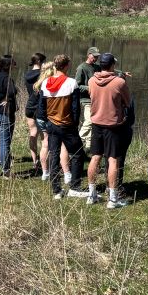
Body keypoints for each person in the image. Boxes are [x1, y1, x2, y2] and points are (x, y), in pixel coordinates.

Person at [87, 53, 133, 208]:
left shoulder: (91, 80)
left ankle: (91, 194)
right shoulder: (119, 82)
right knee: (113, 159)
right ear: (112, 65)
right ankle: (113, 199)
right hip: (113, 126)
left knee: (95, 157)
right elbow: (128, 102)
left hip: (96, 124)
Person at [40, 54, 86, 200]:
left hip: (51, 125)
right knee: (78, 154)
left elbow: (41, 109)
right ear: (66, 66)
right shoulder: (72, 83)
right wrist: (75, 123)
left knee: (54, 155)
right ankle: (75, 187)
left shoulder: (45, 83)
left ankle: (56, 190)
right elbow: (75, 109)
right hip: (67, 126)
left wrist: (47, 122)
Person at [75, 47, 101, 152]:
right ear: (88, 55)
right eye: (94, 56)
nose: (95, 58)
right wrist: (89, 88)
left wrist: (122, 73)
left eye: (97, 57)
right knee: (89, 121)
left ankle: (88, 148)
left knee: (93, 123)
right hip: (86, 100)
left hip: (96, 100)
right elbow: (77, 85)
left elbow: (109, 69)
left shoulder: (97, 67)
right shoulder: (82, 68)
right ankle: (76, 142)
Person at [23, 53, 46, 173]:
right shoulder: (42, 75)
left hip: (30, 105)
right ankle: (44, 163)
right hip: (40, 106)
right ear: (40, 62)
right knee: (44, 136)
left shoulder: (27, 74)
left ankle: (34, 161)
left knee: (33, 133)